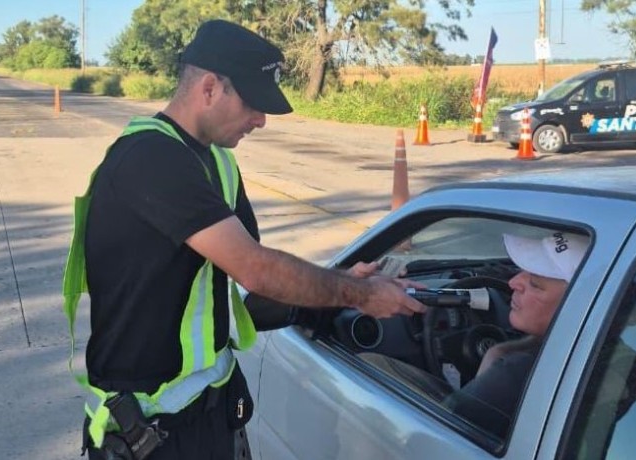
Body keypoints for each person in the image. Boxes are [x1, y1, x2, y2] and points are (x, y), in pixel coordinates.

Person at [61, 19, 425, 460]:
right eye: (253, 103)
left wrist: (342, 283)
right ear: (210, 88)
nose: (261, 120)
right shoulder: (150, 157)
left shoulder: (217, 162)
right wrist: (361, 294)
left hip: (210, 411)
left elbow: (251, 277)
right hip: (148, 432)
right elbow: (256, 269)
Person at [444, 231, 590, 437]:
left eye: (535, 284)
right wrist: (503, 350)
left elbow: (437, 434)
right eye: (522, 270)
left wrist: (495, 369)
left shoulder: (515, 375)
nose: (513, 282)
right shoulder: (619, 357)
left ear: (575, 306)